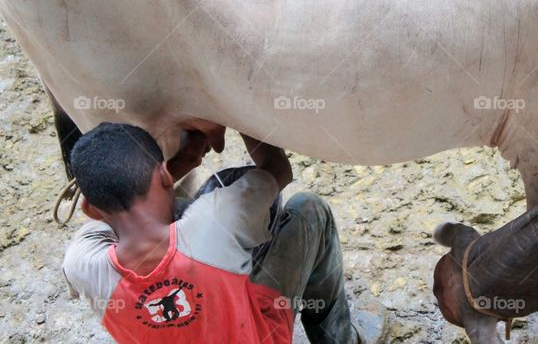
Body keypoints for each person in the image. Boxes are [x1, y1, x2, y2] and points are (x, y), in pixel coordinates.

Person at [61, 122, 386, 343]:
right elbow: (277, 170)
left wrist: (179, 164)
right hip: (258, 333)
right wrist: (239, 113)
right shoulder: (215, 222)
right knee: (310, 209)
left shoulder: (82, 264)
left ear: (90, 208)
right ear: (163, 175)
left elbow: (114, 220)